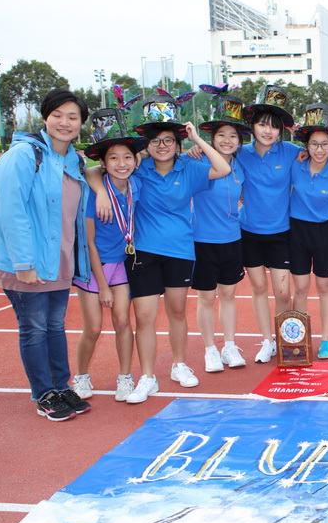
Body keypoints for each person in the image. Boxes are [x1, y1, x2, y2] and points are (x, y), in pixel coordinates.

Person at [92, 92, 232, 403]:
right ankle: (147, 377)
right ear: (147, 145)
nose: (163, 146)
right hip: (143, 251)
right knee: (144, 317)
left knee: (177, 312)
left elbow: (223, 169)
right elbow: (93, 170)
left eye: (169, 140)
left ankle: (179, 365)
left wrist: (198, 138)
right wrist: (101, 191)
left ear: (178, 143)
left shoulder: (190, 167)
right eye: (156, 141)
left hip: (180, 250)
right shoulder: (138, 167)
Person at [0, 89, 92, 421]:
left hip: (58, 259)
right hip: (25, 262)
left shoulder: (75, 160)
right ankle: (44, 393)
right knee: (34, 327)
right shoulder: (23, 155)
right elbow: (9, 211)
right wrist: (24, 263)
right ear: (45, 117)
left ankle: (60, 386)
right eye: (57, 115)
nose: (65, 122)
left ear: (81, 123)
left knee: (55, 325)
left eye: (73, 117)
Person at [71, 106, 145, 402]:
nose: (121, 163)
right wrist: (102, 287)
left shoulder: (136, 185)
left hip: (122, 264)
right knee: (93, 328)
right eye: (113, 158)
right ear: (102, 163)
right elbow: (89, 242)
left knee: (123, 323)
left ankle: (125, 377)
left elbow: (152, 153)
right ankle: (81, 376)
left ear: (136, 160)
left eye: (127, 157)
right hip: (94, 268)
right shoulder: (94, 192)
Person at [236, 85, 302, 363]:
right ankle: (267, 341)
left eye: (274, 126)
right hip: (249, 232)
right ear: (252, 126)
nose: (268, 131)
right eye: (262, 124)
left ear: (281, 130)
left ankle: (286, 337)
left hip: (281, 232)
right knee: (259, 289)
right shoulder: (240, 152)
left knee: (283, 291)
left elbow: (318, 152)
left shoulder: (291, 151)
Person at [190, 91, 249, 372]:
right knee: (206, 297)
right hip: (203, 240)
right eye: (221, 135)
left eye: (233, 136)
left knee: (228, 295)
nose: (227, 140)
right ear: (212, 139)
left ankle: (229, 346)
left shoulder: (240, 166)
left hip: (232, 239)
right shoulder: (196, 162)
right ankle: (210, 350)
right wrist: (195, 146)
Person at [290, 104, 328, 358]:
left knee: (325, 287)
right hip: (297, 231)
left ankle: (326, 341)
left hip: (325, 234)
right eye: (314, 144)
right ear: (307, 146)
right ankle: (299, 339)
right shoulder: (296, 165)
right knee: (300, 288)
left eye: (325, 144)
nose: (320, 149)